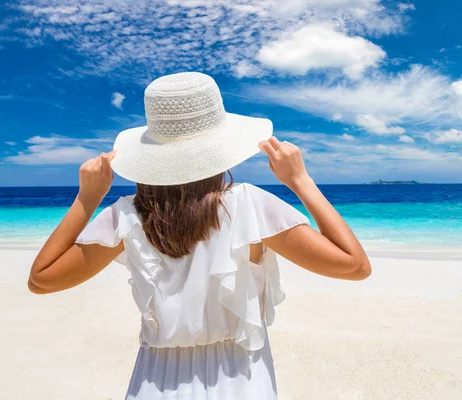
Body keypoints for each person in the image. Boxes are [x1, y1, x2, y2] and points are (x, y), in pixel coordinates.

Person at [28, 72, 371, 399]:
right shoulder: (248, 204)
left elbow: (42, 280)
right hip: (240, 378)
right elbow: (354, 266)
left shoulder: (126, 215)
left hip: (154, 379)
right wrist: (301, 181)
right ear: (220, 145)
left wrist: (87, 199)